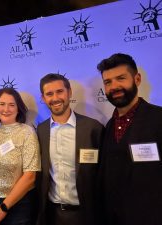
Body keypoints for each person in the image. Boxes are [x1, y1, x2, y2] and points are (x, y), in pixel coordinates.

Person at [97, 53, 162, 225]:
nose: (114, 86)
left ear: (137, 79)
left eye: (121, 78)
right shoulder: (108, 126)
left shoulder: (159, 118)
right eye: (108, 82)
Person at [36, 73, 104, 225]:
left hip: (87, 215)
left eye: (60, 91)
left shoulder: (93, 128)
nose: (55, 98)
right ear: (43, 98)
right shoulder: (40, 131)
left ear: (69, 92)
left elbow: (103, 174)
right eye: (49, 94)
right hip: (52, 215)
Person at [0, 88, 41, 225]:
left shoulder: (27, 132)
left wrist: (4, 207)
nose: (6, 109)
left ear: (18, 109)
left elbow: (30, 176)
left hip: (17, 206)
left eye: (11, 105)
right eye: (2, 104)